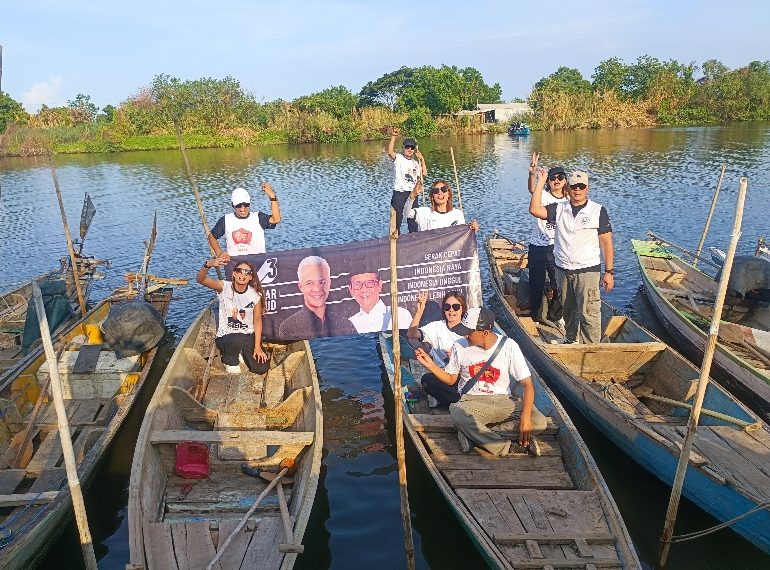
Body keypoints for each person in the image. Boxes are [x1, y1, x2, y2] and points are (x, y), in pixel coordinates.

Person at [415, 307, 547, 456]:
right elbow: (451, 380)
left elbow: (527, 385)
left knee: (539, 421)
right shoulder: (459, 345)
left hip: (504, 401)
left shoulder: (509, 345)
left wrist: (525, 418)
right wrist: (430, 365)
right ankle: (505, 446)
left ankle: (476, 436)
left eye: (469, 332)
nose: (465, 336)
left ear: (484, 333)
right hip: (472, 402)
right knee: (459, 416)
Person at [529, 168, 614, 344]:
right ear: (568, 188)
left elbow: (606, 243)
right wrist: (541, 180)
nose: (577, 190)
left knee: (589, 312)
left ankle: (593, 348)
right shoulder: (560, 208)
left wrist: (609, 272)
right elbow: (535, 209)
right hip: (563, 269)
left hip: (587, 270)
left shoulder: (597, 210)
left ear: (587, 188)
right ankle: (570, 339)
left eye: (581, 186)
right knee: (568, 310)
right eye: (574, 186)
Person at [197, 257, 270, 374]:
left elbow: (257, 320)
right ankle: (229, 360)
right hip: (227, 336)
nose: (243, 274)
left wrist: (258, 347)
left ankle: (240, 352)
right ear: (234, 274)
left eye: (247, 272)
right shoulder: (224, 287)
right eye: (239, 271)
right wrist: (208, 264)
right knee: (237, 338)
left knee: (261, 368)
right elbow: (201, 280)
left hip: (247, 335)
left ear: (251, 277)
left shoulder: (255, 295)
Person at [407, 290, 469, 406]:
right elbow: (412, 334)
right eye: (447, 307)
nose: (451, 310)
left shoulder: (469, 329)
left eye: (456, 307)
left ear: (462, 309)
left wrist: (459, 357)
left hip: (464, 377)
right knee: (427, 380)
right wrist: (420, 311)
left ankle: (457, 401)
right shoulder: (437, 327)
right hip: (442, 375)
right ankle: (459, 402)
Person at [526, 153, 568, 323]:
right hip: (538, 246)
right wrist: (533, 173)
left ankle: (556, 315)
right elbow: (532, 188)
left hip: (558, 248)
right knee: (536, 283)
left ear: (565, 181)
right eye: (552, 178)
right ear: (548, 181)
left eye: (560, 178)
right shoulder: (543, 195)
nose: (556, 180)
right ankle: (536, 316)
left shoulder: (569, 199)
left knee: (559, 283)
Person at [278, 256, 355, 340]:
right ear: (300, 287)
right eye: (309, 283)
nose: (317, 289)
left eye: (322, 282)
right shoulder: (288, 328)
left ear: (329, 283)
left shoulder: (346, 325)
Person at [208, 183, 281, 260]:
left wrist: (272, 197)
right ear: (233, 205)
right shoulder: (226, 220)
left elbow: (276, 219)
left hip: (257, 264)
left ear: (249, 204)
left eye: (246, 204)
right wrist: (219, 253)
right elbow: (211, 236)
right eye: (239, 206)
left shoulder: (258, 217)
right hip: (235, 267)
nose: (243, 209)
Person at [347, 264, 412, 333]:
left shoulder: (399, 314)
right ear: (350, 290)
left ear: (380, 285)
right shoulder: (350, 324)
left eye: (369, 283)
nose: (364, 289)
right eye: (357, 284)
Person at [387, 127, 427, 234]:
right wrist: (393, 137)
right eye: (407, 147)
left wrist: (422, 160)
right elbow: (390, 151)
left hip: (412, 193)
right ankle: (396, 240)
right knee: (397, 219)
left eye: (412, 147)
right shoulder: (399, 158)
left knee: (413, 219)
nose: (409, 149)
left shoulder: (416, 162)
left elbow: (424, 174)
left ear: (414, 150)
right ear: (403, 148)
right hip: (399, 193)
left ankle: (413, 238)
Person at [404, 180, 480, 232]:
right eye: (436, 191)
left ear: (449, 194)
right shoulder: (425, 213)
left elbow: (462, 236)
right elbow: (406, 213)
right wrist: (412, 196)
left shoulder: (457, 214)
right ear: (432, 196)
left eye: (444, 189)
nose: (440, 193)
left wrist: (472, 229)